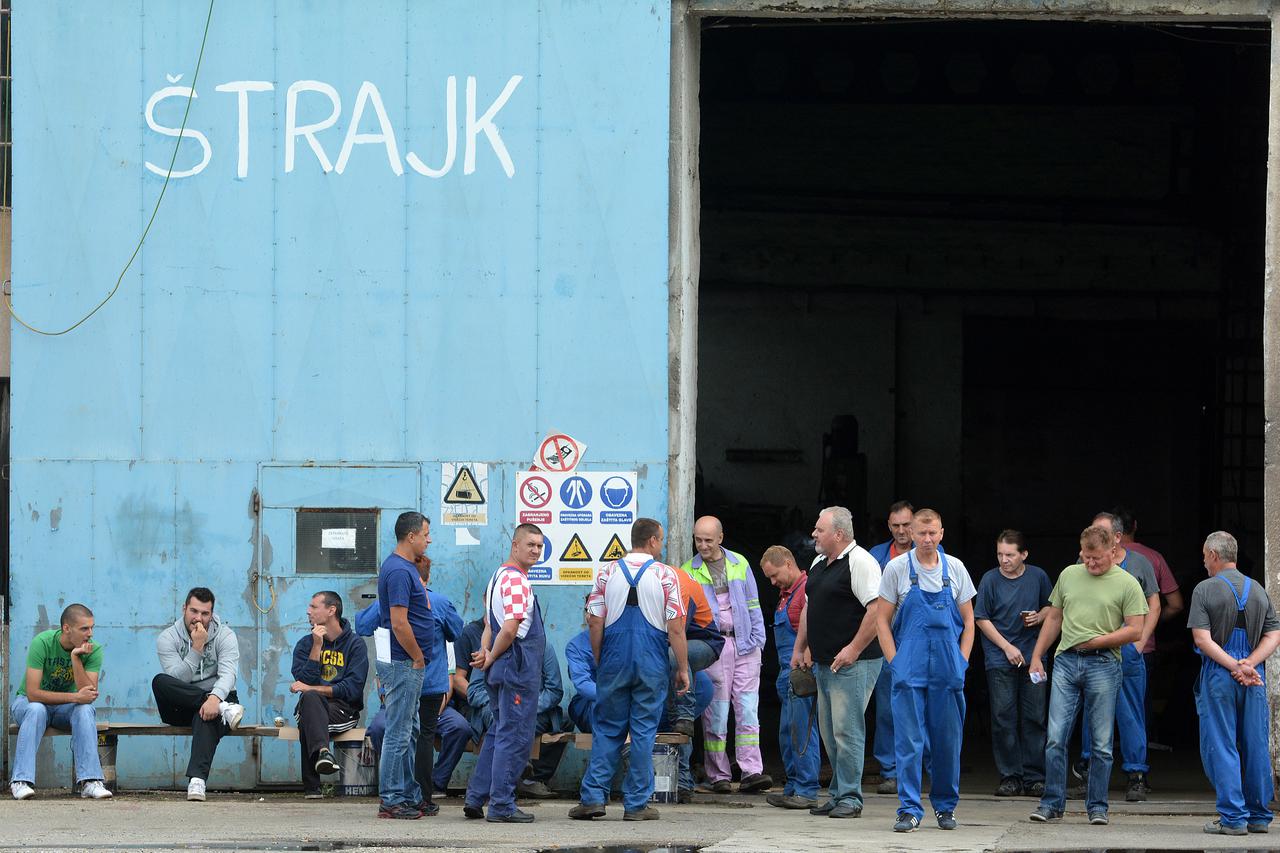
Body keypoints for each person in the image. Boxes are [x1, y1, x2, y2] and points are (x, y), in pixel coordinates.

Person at [570, 517, 690, 822]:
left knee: (607, 728)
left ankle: (593, 798)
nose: (662, 545)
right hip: (651, 661)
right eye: (661, 539)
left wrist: (601, 658)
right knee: (643, 731)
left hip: (614, 659)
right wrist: (683, 668)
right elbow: (676, 628)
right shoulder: (665, 575)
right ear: (652, 541)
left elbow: (594, 621)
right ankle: (636, 804)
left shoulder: (607, 572)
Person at [1028, 524, 1147, 827]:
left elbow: (1136, 629)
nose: (1091, 563)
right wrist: (1037, 655)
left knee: (1102, 743)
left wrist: (1097, 642)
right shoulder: (1069, 574)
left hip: (1104, 663)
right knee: (1055, 738)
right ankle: (1052, 803)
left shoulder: (1127, 583)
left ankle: (1097, 806)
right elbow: (1054, 617)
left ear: (1112, 551)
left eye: (1097, 558)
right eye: (1086, 557)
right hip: (1067, 661)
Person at [877, 508, 975, 833]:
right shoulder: (897, 569)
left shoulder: (955, 568)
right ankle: (909, 810)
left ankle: (946, 808)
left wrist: (961, 662)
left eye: (933, 533)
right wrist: (896, 663)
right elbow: (881, 621)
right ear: (911, 534)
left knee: (947, 742)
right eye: (921, 533)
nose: (927, 539)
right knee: (909, 742)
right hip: (909, 667)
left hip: (948, 670)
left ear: (941, 533)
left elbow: (970, 622)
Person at [566, 600, 714, 803]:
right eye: (591, 611)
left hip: (639, 705)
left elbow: (700, 686)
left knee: (680, 713)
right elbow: (583, 684)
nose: (596, 616)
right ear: (586, 615)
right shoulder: (577, 645)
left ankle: (680, 782)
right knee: (606, 717)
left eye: (604, 611)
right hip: (599, 706)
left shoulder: (632, 640)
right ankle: (607, 795)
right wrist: (615, 696)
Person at [791, 506, 883, 820]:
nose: (814, 534)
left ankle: (851, 798)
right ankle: (837, 794)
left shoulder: (861, 562)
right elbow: (809, 607)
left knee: (847, 730)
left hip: (854, 663)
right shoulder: (819, 563)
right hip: (824, 661)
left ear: (839, 534)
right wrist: (800, 647)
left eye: (820, 530)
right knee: (830, 733)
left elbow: (876, 612)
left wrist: (853, 649)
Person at [1190, 530, 1280, 836]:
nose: (1204, 563)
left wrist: (1234, 666)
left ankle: (1232, 818)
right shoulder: (1259, 590)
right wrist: (1250, 664)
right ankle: (1259, 816)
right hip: (1254, 677)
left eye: (1205, 557)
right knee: (1255, 744)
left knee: (1222, 744)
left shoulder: (1204, 590)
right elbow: (1274, 635)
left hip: (1220, 674)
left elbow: (1202, 640)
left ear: (1214, 555)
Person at [463, 524, 547, 823]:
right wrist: (493, 655)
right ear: (515, 545)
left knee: (498, 733)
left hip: (503, 667)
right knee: (514, 737)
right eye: (530, 544)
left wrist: (486, 652)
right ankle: (501, 805)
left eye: (539, 546)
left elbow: (489, 624)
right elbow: (509, 628)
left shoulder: (498, 576)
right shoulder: (516, 580)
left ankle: (476, 797)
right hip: (516, 668)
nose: (535, 550)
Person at [681, 516, 770, 793]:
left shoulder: (739, 563)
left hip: (745, 646)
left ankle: (751, 772)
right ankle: (718, 775)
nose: (703, 545)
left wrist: (759, 641)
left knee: (748, 711)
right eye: (698, 540)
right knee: (715, 713)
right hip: (713, 648)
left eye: (708, 540)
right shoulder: (688, 571)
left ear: (720, 538)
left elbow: (753, 604)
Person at [1076, 511, 1161, 801]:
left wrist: (1140, 642)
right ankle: (1089, 773)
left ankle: (1136, 775)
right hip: (1094, 647)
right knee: (1092, 711)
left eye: (1100, 533)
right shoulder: (1085, 561)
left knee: (1131, 713)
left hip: (1127, 648)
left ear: (1117, 537)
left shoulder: (1139, 563)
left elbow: (1155, 605)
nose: (1094, 538)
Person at [973, 530, 1051, 798]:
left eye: (1009, 555)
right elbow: (981, 618)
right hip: (999, 657)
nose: (1003, 560)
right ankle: (1010, 776)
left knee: (1035, 717)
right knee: (1003, 717)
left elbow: (1052, 608)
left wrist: (1039, 616)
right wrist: (1006, 647)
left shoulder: (1038, 576)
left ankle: (1035, 777)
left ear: (1024, 554)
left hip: (1034, 656)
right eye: (1000, 554)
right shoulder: (990, 579)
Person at [9, 603, 112, 800]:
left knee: (84, 710)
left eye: (92, 628)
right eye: (84, 628)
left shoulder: (94, 649)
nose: (90, 634)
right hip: (28, 704)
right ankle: (20, 781)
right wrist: (75, 697)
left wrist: (75, 658)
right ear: (66, 628)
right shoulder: (43, 642)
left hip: (63, 709)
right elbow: (32, 693)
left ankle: (90, 781)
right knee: (36, 709)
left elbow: (88, 695)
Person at [152, 587, 244, 802]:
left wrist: (214, 698)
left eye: (205, 613)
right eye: (194, 611)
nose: (198, 618)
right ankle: (221, 709)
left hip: (219, 697)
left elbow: (228, 675)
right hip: (182, 705)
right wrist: (197, 647)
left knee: (206, 715)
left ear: (212, 614)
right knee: (160, 681)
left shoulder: (225, 635)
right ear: (184, 608)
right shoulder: (168, 638)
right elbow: (178, 680)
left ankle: (197, 780)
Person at [374, 511, 434, 820]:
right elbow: (399, 622)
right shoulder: (398, 570)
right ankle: (392, 799)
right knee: (398, 732)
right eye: (425, 534)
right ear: (411, 536)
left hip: (407, 662)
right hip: (403, 662)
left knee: (410, 729)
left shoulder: (406, 568)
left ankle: (409, 794)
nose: (429, 540)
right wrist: (417, 656)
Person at [467, 637, 566, 799]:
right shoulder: (488, 647)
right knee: (501, 722)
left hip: (532, 710)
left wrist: (526, 707)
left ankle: (525, 779)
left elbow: (554, 690)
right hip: (494, 709)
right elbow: (474, 692)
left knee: (529, 721)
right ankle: (514, 773)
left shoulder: (543, 646)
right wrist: (502, 704)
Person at [290, 591, 367, 799]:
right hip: (312, 707)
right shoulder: (305, 644)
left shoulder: (355, 645)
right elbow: (304, 681)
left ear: (331, 610)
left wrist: (312, 689)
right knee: (310, 702)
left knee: (309, 709)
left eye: (314, 607)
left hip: (343, 712)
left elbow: (352, 689)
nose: (308, 611)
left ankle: (312, 787)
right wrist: (317, 647)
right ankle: (324, 752)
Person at [760, 546, 820, 810]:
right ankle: (793, 786)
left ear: (787, 563)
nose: (773, 582)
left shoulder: (806, 591)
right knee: (787, 734)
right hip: (786, 675)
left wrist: (808, 652)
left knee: (802, 733)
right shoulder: (786, 595)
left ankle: (807, 789)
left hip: (801, 672)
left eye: (774, 575)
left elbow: (816, 628)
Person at [866, 500, 915, 794]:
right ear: (888, 526)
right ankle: (890, 771)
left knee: (922, 707)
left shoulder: (934, 554)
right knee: (887, 709)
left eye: (906, 524)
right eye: (895, 525)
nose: (901, 531)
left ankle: (920, 768)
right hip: (884, 641)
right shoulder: (876, 556)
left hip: (920, 642)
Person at [667, 561, 724, 744]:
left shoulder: (680, 586)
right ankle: (676, 725)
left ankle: (684, 716)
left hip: (706, 642)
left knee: (673, 654)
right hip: (680, 645)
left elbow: (677, 634)